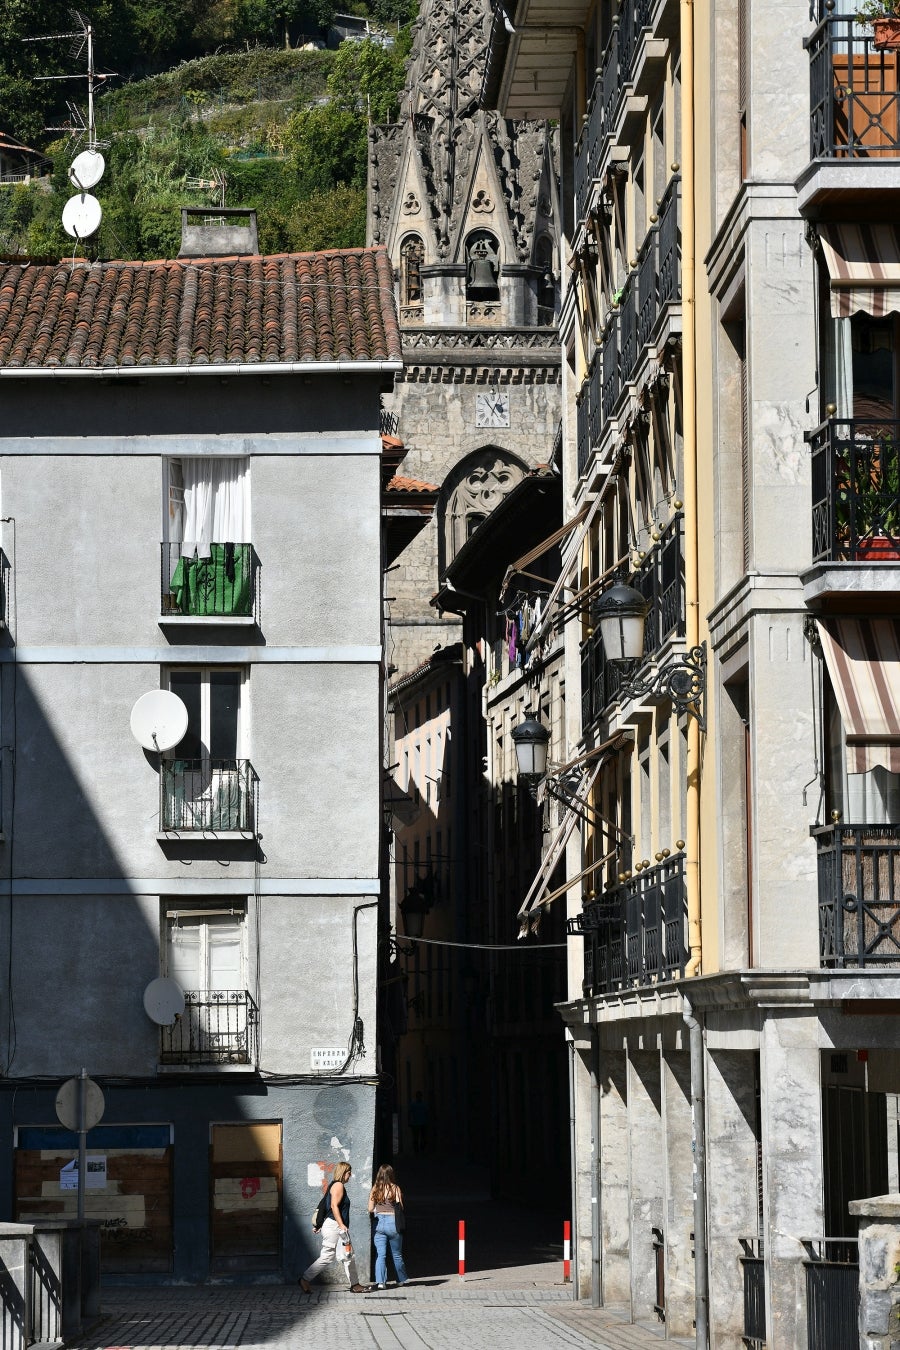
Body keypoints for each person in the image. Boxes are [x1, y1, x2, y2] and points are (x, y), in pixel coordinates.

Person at [299, 1161, 366, 1293]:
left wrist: (320, 1224)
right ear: (343, 1172)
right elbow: (334, 1206)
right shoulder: (338, 1185)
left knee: (348, 1255)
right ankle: (304, 1279)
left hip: (334, 1225)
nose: (350, 1175)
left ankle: (355, 1284)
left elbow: (325, 1206)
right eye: (349, 1172)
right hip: (336, 1226)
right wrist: (341, 1225)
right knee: (329, 1256)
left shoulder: (333, 1185)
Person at [367, 1163, 408, 1290]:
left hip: (379, 1224)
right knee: (396, 1254)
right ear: (391, 1174)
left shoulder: (375, 1188)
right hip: (393, 1223)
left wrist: (379, 1209)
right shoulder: (395, 1188)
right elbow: (400, 1207)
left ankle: (381, 1282)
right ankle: (400, 1280)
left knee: (381, 1255)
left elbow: (370, 1208)